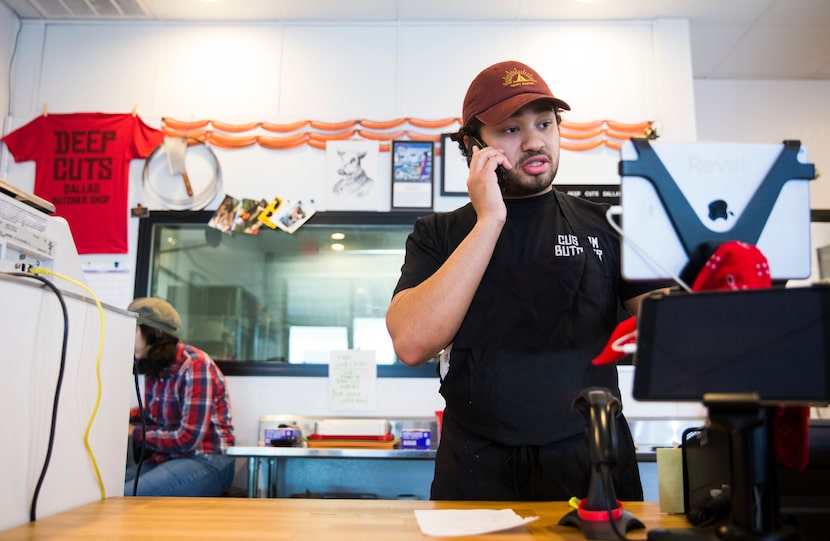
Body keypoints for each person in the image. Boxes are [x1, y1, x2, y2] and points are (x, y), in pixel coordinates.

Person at [386, 60, 667, 501]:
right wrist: (490, 220)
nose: (536, 141)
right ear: (473, 144)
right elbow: (412, 343)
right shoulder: (437, 234)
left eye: (545, 123)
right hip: (477, 467)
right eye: (511, 130)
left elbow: (673, 335)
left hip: (594, 463)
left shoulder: (609, 226)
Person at [125, 297, 236, 497]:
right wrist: (125, 415)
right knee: (105, 490)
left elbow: (187, 438)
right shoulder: (154, 366)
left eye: (133, 329)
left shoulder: (195, 365)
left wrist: (135, 432)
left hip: (207, 461)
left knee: (125, 494)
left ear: (156, 333)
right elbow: (154, 414)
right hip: (169, 458)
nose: (126, 337)